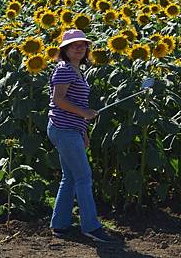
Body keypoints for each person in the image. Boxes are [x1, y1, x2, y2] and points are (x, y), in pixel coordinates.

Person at [47, 29, 117, 243]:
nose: (79, 48)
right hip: (63, 129)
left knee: (70, 177)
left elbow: (78, 104)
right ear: (64, 49)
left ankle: (59, 225)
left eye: (83, 44)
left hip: (70, 129)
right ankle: (91, 227)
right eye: (73, 45)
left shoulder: (77, 71)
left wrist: (83, 130)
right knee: (83, 177)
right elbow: (58, 100)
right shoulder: (64, 70)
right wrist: (84, 114)